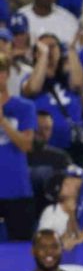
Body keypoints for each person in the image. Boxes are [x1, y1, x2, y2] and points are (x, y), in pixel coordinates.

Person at [0, 54, 37, 242]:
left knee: (20, 249)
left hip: (17, 190)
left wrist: (3, 121)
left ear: (6, 74)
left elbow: (26, 144)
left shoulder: (24, 107)